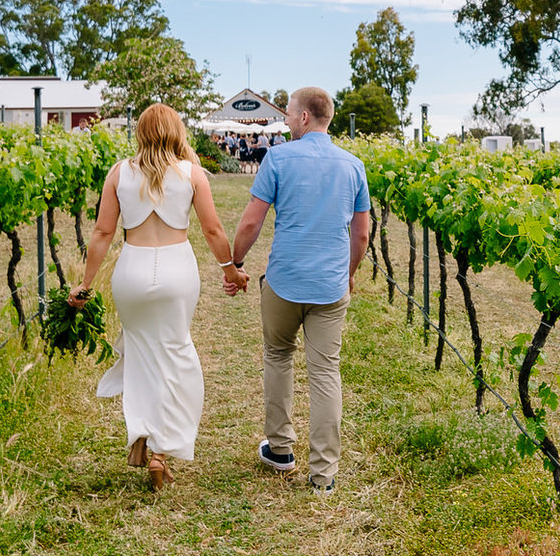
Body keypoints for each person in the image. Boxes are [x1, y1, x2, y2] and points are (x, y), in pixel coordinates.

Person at [71, 103, 240, 491]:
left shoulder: (118, 173)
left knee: (141, 355)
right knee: (179, 357)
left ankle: (143, 435)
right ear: (176, 132)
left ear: (141, 133)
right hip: (177, 272)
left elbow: (101, 233)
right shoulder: (192, 175)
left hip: (131, 272)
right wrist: (229, 268)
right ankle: (162, 449)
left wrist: (86, 283)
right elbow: (212, 230)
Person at [229, 85, 370, 492]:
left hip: (285, 282)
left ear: (305, 117)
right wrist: (349, 272)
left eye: (290, 113)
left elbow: (252, 223)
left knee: (278, 355)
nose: (287, 119)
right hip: (329, 285)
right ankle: (323, 475)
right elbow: (360, 234)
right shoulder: (353, 165)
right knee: (326, 371)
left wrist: (236, 263)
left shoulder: (278, 158)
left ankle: (280, 449)